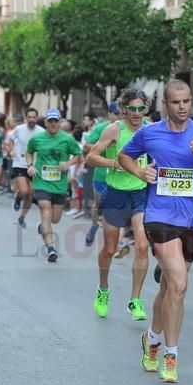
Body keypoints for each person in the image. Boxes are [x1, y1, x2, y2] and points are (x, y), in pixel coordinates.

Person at [119, 79, 193, 384]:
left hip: (190, 220)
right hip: (159, 217)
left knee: (169, 287)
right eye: (176, 102)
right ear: (165, 105)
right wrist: (140, 171)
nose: (182, 107)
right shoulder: (150, 132)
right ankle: (171, 355)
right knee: (180, 285)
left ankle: (152, 339)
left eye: (186, 101)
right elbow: (124, 156)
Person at [86, 89, 151, 320]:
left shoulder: (149, 129)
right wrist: (114, 163)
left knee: (142, 247)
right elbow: (91, 157)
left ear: (146, 109)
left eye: (140, 108)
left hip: (141, 194)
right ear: (123, 109)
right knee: (110, 249)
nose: (136, 113)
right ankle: (103, 289)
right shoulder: (114, 129)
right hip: (115, 194)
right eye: (131, 109)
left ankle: (135, 300)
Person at [26, 108, 81, 263]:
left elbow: (78, 155)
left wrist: (68, 163)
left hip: (59, 185)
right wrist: (30, 165)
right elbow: (29, 152)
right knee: (45, 210)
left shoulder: (67, 139)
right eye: (50, 121)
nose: (52, 124)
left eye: (55, 121)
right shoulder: (36, 138)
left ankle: (43, 225)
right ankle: (51, 248)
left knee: (55, 219)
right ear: (45, 122)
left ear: (60, 122)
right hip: (41, 182)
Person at [83, 102, 121, 246]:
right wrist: (102, 148)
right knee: (99, 205)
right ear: (110, 114)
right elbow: (86, 145)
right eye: (115, 113)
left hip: (119, 175)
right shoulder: (101, 128)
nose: (118, 116)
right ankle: (94, 226)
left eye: (120, 113)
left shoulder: (126, 128)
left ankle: (115, 240)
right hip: (101, 175)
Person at [7, 108, 44, 228]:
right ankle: (18, 197)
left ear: (37, 118)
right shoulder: (19, 129)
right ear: (26, 118)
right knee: (24, 191)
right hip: (19, 163)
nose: (32, 120)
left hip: (33, 165)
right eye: (30, 117)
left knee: (31, 194)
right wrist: (12, 150)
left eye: (34, 117)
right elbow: (10, 140)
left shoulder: (41, 132)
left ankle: (22, 217)